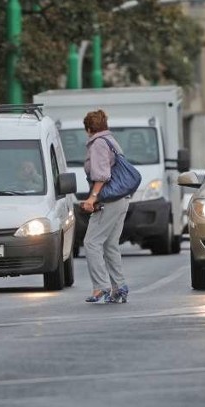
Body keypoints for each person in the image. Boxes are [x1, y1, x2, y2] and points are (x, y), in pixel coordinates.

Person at [80, 109, 130, 304]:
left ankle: (101, 287)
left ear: (89, 128)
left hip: (110, 199)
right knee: (110, 245)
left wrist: (92, 199)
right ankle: (119, 287)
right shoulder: (111, 141)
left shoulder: (99, 144)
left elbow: (102, 175)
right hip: (122, 198)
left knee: (91, 243)